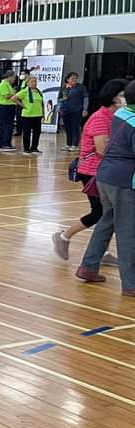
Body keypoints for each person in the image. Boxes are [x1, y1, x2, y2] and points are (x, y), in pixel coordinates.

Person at [53, 79, 129, 265]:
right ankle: (64, 236)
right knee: (99, 212)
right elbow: (102, 149)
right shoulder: (100, 118)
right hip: (92, 171)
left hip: (106, 171)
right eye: (122, 94)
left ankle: (101, 251)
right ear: (114, 97)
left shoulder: (117, 117)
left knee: (108, 213)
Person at [76, 79, 135, 295]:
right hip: (123, 180)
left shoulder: (121, 114)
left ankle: (89, 266)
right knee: (128, 231)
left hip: (105, 176)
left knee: (106, 221)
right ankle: (131, 283)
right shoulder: (132, 122)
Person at [12, 74, 44, 155]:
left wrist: (43, 113)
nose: (34, 83)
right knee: (27, 132)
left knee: (37, 132)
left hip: (38, 115)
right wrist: (22, 105)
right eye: (32, 81)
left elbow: (41, 103)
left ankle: (34, 148)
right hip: (27, 115)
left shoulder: (39, 91)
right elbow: (14, 98)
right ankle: (26, 149)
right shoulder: (24, 91)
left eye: (35, 81)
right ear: (28, 83)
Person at [60, 72, 89, 151]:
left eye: (76, 78)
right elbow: (60, 99)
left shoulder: (81, 87)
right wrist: (60, 109)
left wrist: (85, 109)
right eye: (72, 78)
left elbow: (85, 98)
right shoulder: (64, 87)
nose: (74, 80)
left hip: (77, 110)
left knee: (75, 127)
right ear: (67, 79)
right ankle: (68, 144)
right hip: (66, 110)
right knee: (68, 127)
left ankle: (75, 145)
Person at [0, 71, 18, 151]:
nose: (14, 79)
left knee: (7, 126)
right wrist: (16, 95)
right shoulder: (3, 84)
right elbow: (7, 95)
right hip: (6, 107)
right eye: (14, 77)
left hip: (10, 107)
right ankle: (5, 144)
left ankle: (3, 144)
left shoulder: (8, 85)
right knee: (7, 126)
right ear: (9, 76)